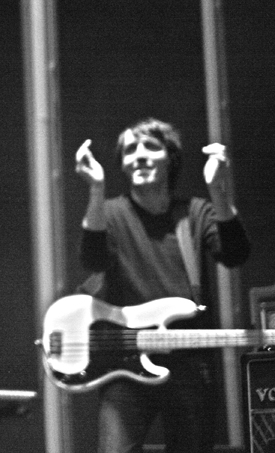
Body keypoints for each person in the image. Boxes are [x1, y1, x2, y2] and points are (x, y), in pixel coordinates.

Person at [74, 117, 250, 453]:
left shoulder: (195, 213)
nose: (138, 155)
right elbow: (92, 258)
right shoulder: (109, 213)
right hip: (125, 367)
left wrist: (218, 190)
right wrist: (96, 189)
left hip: (188, 367)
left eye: (150, 147)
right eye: (129, 150)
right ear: (123, 166)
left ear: (170, 157)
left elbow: (235, 253)